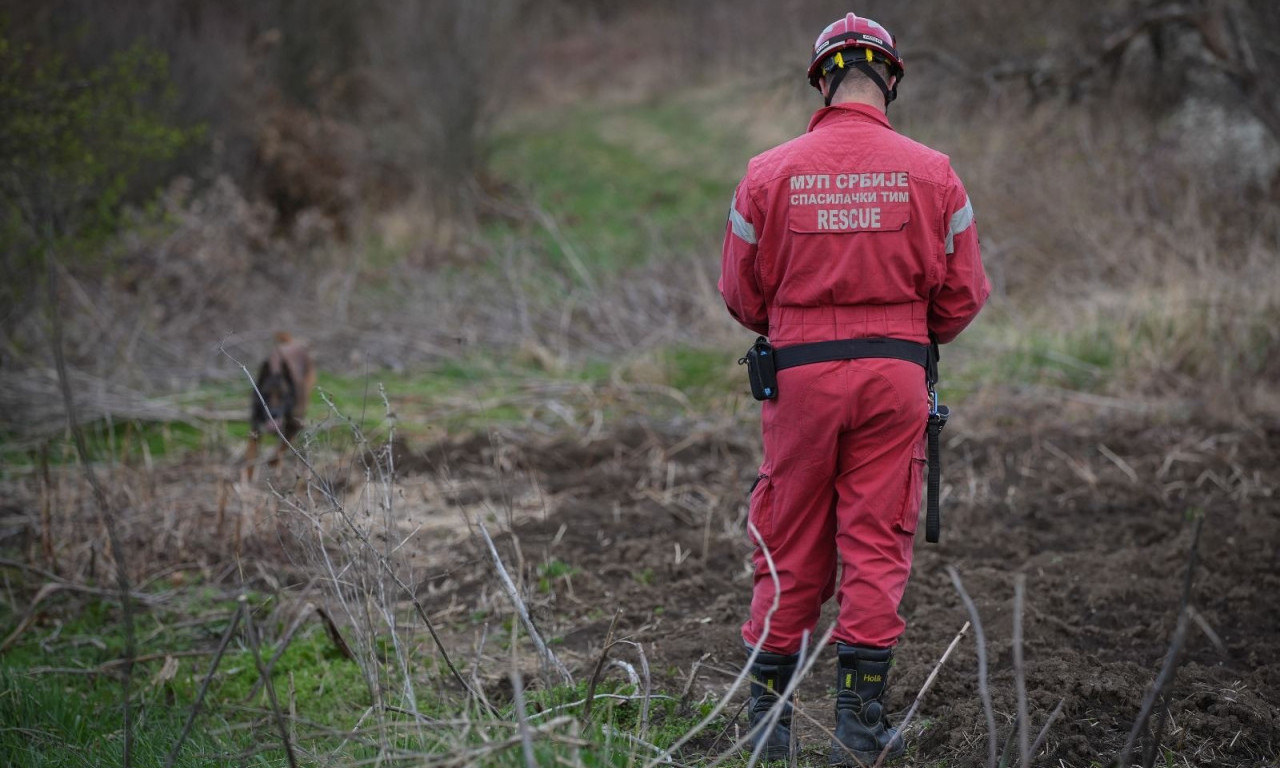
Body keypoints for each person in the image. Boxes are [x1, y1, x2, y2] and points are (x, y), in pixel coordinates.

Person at [718, 11, 990, 764]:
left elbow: (740, 295)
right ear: (890, 78)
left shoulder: (767, 173)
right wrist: (905, 332)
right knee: (876, 543)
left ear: (822, 82)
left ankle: (767, 731)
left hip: (798, 380)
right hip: (895, 377)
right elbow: (963, 295)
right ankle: (860, 731)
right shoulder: (934, 172)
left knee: (787, 540)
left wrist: (799, 325)